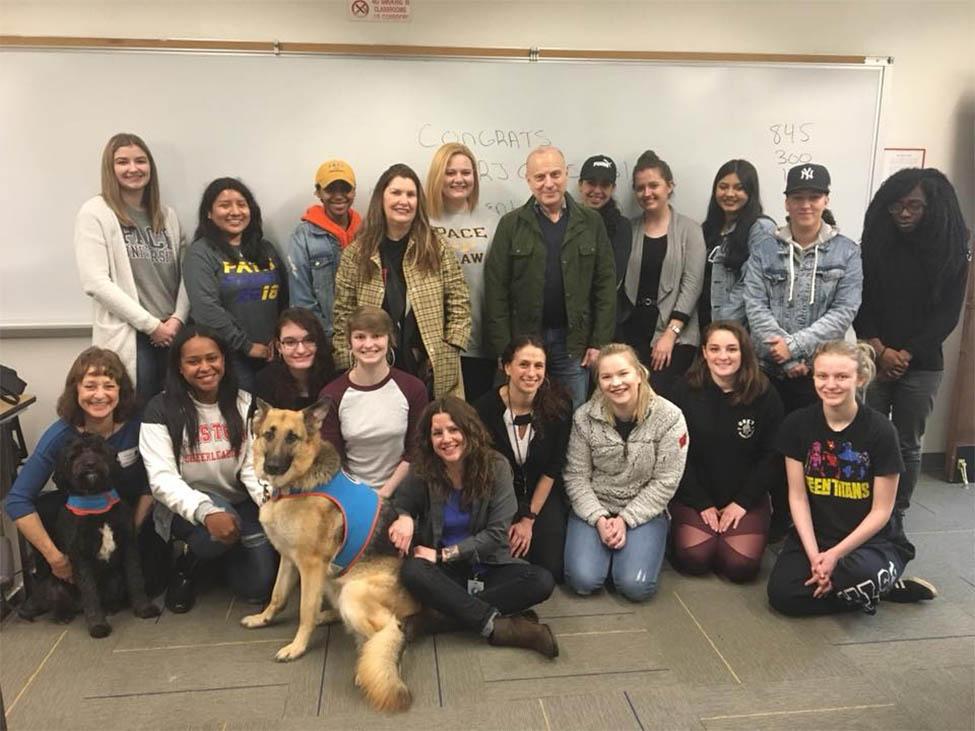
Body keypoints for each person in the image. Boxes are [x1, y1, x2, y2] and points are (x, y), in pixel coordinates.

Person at [767, 340, 938, 616]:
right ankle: (872, 589)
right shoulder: (797, 425)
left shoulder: (882, 431)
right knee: (782, 596)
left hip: (872, 541)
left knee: (851, 573)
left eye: (842, 376)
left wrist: (835, 555)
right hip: (819, 536)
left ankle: (869, 584)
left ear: (860, 379)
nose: (830, 384)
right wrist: (815, 555)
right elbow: (797, 497)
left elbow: (882, 511)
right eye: (822, 376)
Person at [389, 397, 558, 657]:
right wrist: (405, 517)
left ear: (469, 430)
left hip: (488, 565)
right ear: (429, 440)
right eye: (437, 433)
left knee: (541, 581)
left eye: (454, 429)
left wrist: (443, 554)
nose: (446, 439)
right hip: (446, 573)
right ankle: (500, 626)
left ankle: (440, 619)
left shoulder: (497, 467)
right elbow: (402, 502)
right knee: (412, 571)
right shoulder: (425, 469)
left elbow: (495, 535)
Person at [5, 347, 166, 616]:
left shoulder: (139, 426)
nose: (99, 395)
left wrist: (132, 531)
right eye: (90, 385)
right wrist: (56, 559)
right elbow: (18, 500)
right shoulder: (59, 435)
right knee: (47, 508)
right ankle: (54, 583)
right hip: (81, 522)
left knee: (152, 582)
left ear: (120, 391)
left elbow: (153, 481)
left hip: (127, 516)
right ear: (76, 391)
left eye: (109, 386)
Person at [855, 168, 971, 536]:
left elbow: (947, 315)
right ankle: (861, 506)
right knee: (866, 437)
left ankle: (895, 513)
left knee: (908, 444)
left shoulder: (953, 250)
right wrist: (879, 348)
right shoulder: (876, 243)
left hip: (921, 365)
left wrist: (904, 353)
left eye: (914, 206)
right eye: (896, 207)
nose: (904, 213)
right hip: (873, 359)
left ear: (933, 208)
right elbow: (860, 300)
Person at [140, 325, 277, 613]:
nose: (205, 367)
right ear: (179, 367)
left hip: (240, 502)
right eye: (193, 361)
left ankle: (221, 553)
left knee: (258, 589)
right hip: (186, 507)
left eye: (212, 358)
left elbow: (254, 466)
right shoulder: (160, 408)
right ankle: (188, 563)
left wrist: (269, 503)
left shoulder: (245, 402)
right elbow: (162, 480)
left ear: (224, 361)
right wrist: (207, 511)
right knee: (222, 522)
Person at [484, 146, 617, 410]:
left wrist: (598, 341)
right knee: (521, 410)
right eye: (540, 177)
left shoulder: (591, 222)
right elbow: (495, 289)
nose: (548, 184)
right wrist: (503, 348)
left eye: (555, 174)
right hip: (524, 343)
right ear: (529, 180)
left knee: (572, 413)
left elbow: (605, 284)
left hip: (573, 344)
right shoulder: (511, 225)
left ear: (566, 174)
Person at [332, 164, 471, 399]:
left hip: (430, 364)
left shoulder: (437, 246)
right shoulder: (356, 253)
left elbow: (459, 301)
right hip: (372, 364)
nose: (403, 201)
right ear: (381, 198)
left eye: (411, 194)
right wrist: (347, 362)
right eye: (396, 193)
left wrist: (451, 345)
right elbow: (343, 314)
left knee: (433, 429)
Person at [563, 343, 688, 602]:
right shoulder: (583, 418)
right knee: (583, 581)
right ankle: (606, 553)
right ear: (598, 382)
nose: (616, 383)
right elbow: (576, 476)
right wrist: (599, 519)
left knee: (635, 587)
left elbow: (666, 481)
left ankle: (635, 550)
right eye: (606, 377)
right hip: (596, 507)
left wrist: (625, 520)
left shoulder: (670, 417)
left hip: (643, 510)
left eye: (623, 373)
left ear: (639, 374)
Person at [75, 133, 188, 403]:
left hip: (173, 333)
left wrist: (177, 320)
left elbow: (187, 275)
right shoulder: (95, 213)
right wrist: (151, 326)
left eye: (140, 161)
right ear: (110, 169)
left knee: (176, 410)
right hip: (133, 336)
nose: (133, 168)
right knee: (136, 412)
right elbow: (95, 282)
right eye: (122, 162)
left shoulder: (166, 215)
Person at [743, 163, 862, 415]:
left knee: (817, 447)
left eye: (814, 197)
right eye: (797, 198)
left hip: (822, 373)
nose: (805, 205)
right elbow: (755, 305)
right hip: (768, 370)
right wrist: (786, 358)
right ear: (787, 203)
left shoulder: (848, 252)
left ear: (826, 200)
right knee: (770, 445)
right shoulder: (763, 250)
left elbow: (843, 311)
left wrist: (794, 347)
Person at [669, 322, 784, 582]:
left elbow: (773, 456)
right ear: (704, 353)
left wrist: (743, 502)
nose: (723, 356)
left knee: (739, 566)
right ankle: (702, 534)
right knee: (695, 558)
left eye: (732, 349)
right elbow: (674, 454)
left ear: (744, 352)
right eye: (715, 349)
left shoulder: (764, 393)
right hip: (695, 494)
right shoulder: (683, 391)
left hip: (745, 496)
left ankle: (729, 536)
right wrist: (701, 503)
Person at [474, 336, 572, 582]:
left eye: (538, 366)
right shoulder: (483, 409)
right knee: (505, 558)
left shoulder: (559, 407)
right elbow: (482, 472)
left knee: (550, 567)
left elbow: (553, 467)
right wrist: (507, 517)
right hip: (498, 495)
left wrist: (528, 519)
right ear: (507, 367)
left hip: (542, 492)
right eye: (524, 364)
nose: (532, 373)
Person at [184, 177, 287, 393]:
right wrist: (246, 346)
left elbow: (285, 298)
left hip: (273, 355)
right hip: (230, 357)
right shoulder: (201, 253)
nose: (235, 211)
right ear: (209, 213)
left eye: (241, 204)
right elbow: (206, 309)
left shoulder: (266, 249)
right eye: (224, 205)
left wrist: (279, 340)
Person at [618, 150, 706, 400]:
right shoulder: (629, 228)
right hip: (633, 334)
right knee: (630, 400)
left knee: (658, 402)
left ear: (669, 186)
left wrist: (670, 334)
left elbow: (692, 284)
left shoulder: (690, 229)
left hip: (675, 336)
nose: (647, 193)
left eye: (654, 185)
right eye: (640, 188)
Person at [320, 306, 427, 497]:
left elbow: (415, 451)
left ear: (389, 340)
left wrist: (384, 495)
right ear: (349, 343)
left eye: (376, 336)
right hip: (349, 494)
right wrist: (361, 498)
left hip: (402, 494)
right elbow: (333, 458)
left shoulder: (413, 389)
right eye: (360, 337)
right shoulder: (332, 395)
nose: (369, 344)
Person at [426, 143, 498, 402]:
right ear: (438, 176)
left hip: (480, 343)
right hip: (435, 344)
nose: (459, 179)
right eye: (450, 172)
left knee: (474, 423)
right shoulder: (423, 221)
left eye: (466, 173)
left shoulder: (493, 221)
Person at [286, 159, 362, 337]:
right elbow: (301, 298)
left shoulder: (366, 234)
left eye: (345, 188)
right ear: (318, 191)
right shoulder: (303, 237)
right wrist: (328, 336)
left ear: (354, 191)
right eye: (330, 189)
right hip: (324, 338)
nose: (339, 196)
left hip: (364, 340)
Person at [700, 159, 776, 328]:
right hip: (705, 327)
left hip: (738, 333)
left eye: (739, 188)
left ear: (751, 192)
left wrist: (723, 327)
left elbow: (751, 285)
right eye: (723, 186)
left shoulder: (762, 229)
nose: (729, 193)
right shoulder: (708, 230)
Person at [254, 307, 335, 411]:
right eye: (290, 342)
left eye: (309, 340)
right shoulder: (265, 381)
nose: (301, 350)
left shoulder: (333, 375)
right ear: (279, 347)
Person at [577, 154, 632, 295]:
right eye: (591, 183)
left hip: (605, 311)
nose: (597, 190)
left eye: (604, 185)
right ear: (580, 185)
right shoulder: (565, 220)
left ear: (613, 188)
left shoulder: (622, 227)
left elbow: (612, 277)